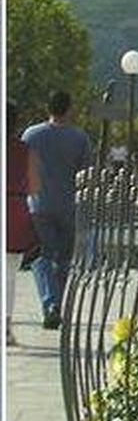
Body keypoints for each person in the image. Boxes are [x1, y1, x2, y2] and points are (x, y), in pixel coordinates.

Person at [21, 90, 94, 330]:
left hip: (38, 205)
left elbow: (22, 168)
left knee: (41, 257)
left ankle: (50, 303)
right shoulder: (80, 138)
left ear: (47, 108)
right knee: (63, 260)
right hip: (68, 206)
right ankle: (57, 306)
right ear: (69, 108)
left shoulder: (31, 135)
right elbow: (87, 173)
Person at [6, 103, 40, 347]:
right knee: (8, 276)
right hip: (14, 212)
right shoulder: (24, 150)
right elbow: (34, 186)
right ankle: (5, 327)